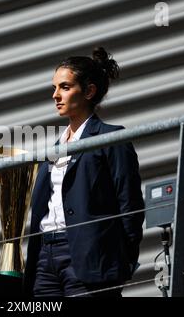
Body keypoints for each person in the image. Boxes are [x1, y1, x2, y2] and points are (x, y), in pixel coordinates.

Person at [23, 47, 145, 297]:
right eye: (54, 87)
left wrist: (122, 261)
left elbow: (129, 204)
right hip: (45, 258)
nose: (55, 95)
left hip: (89, 254)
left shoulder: (110, 138)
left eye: (65, 87)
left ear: (89, 91)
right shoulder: (54, 148)